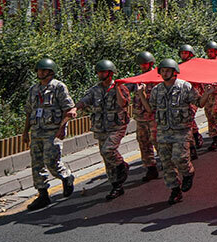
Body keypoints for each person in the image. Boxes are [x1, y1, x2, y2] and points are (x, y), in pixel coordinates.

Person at [142, 58, 205, 204]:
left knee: (180, 158)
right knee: (166, 163)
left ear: (174, 72)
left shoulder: (185, 87)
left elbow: (199, 103)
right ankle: (175, 190)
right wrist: (140, 95)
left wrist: (207, 93)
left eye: (167, 70)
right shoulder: (157, 90)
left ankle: (188, 173)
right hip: (163, 131)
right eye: (162, 71)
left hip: (181, 130)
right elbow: (150, 109)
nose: (164, 73)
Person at [23, 58, 76, 210]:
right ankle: (43, 195)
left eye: (42, 70)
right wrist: (25, 132)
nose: (39, 73)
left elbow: (69, 109)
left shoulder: (58, 87)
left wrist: (62, 128)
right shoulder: (34, 90)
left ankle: (66, 176)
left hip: (53, 132)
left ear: (49, 72)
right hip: (36, 132)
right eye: (38, 70)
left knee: (51, 161)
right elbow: (29, 111)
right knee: (36, 164)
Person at [76, 60, 130, 200]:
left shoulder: (121, 88)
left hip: (117, 126)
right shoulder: (95, 90)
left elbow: (123, 103)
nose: (100, 74)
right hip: (101, 128)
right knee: (106, 158)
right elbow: (85, 100)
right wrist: (75, 108)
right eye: (99, 72)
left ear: (110, 73)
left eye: (103, 72)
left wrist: (117, 88)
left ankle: (121, 165)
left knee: (108, 150)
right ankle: (117, 186)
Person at [128, 52, 160, 182]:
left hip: (153, 117)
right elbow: (126, 87)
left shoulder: (157, 78)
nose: (142, 66)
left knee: (158, 141)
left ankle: (169, 164)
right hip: (140, 118)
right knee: (143, 142)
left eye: (144, 64)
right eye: (140, 64)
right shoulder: (138, 79)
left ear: (151, 64)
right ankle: (150, 168)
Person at [202, 41, 217, 150]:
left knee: (216, 110)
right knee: (209, 115)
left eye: (212, 51)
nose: (210, 53)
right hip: (209, 93)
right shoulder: (205, 64)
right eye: (208, 51)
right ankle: (215, 138)